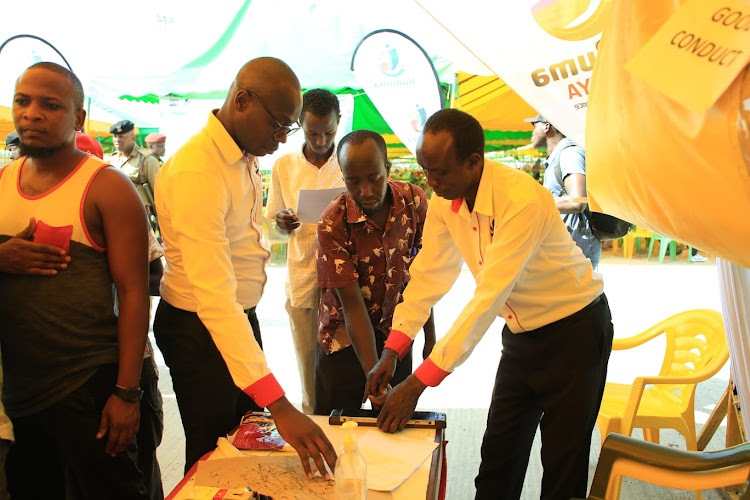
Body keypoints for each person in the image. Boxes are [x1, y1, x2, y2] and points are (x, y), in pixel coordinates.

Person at [366, 109, 613, 500]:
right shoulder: (446, 201)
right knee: (498, 460)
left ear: (474, 162)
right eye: (425, 170)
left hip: (576, 334)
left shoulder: (522, 199)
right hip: (520, 338)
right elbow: (429, 276)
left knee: (562, 470)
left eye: (441, 172)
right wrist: (394, 348)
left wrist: (418, 382)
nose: (431, 182)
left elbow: (487, 298)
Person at [153, 57, 336, 477]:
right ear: (242, 101)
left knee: (245, 444)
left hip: (233, 320)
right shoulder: (199, 170)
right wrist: (280, 404)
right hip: (201, 329)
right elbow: (215, 301)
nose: (281, 138)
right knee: (214, 456)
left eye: (288, 128)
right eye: (279, 125)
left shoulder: (241, 154)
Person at [0, 62, 149, 498]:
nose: (31, 114)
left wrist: (126, 392)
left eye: (50, 105)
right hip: (21, 389)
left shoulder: (107, 187)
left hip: (89, 385)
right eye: (22, 102)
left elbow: (135, 294)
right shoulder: (4, 181)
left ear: (78, 118)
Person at [315, 130, 434, 415]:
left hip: (397, 336)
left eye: (374, 178)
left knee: (394, 428)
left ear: (388, 169)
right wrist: (374, 376)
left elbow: (423, 276)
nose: (365, 191)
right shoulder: (332, 223)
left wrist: (430, 336)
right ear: (342, 176)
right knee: (337, 428)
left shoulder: (414, 202)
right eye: (353, 182)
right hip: (342, 341)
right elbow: (352, 306)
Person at [78, 128, 165, 499]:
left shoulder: (113, 191)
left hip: (125, 362)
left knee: (137, 470)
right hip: (72, 373)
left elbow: (149, 277)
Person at [265, 88, 345, 414]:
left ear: (339, 124)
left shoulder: (349, 159)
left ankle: (346, 418)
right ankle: (312, 421)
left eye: (329, 132)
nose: (322, 140)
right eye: (313, 133)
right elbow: (272, 225)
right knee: (307, 360)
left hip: (345, 278)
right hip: (301, 276)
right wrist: (282, 222)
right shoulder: (284, 166)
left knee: (342, 361)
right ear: (300, 123)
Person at [527, 113, 602, 270]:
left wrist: (532, 202)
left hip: (575, 251)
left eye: (534, 126)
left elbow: (577, 201)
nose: (532, 132)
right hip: (565, 249)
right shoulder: (557, 158)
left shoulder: (570, 154)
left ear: (547, 126)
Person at [110, 119, 161, 233]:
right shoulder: (112, 160)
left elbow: (159, 194)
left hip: (139, 218)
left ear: (133, 137)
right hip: (115, 217)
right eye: (115, 137)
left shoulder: (147, 160)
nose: (117, 140)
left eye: (122, 136)